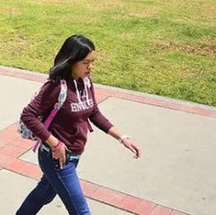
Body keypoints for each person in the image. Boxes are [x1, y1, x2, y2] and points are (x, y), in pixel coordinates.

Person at [16, 34, 141, 215]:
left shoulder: (86, 82)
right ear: (71, 61)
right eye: (85, 62)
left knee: (43, 195)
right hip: (57, 158)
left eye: (92, 62)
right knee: (81, 212)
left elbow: (94, 113)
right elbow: (28, 115)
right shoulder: (56, 87)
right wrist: (55, 144)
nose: (90, 67)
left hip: (74, 155)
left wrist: (122, 137)